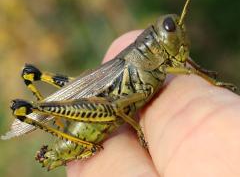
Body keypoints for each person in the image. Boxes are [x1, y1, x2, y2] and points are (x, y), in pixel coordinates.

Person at [67, 31, 240, 177]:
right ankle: (40, 111)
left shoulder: (160, 62)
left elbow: (185, 65)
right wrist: (139, 130)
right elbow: (117, 105)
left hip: (105, 109)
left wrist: (202, 71)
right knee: (114, 105)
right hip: (95, 114)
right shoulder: (144, 60)